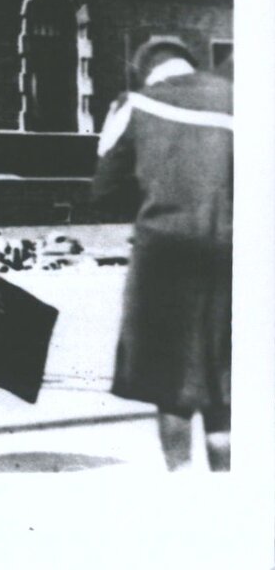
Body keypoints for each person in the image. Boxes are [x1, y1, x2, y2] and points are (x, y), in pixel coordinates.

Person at [92, 36, 232, 471]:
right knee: (225, 376)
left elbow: (104, 191)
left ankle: (182, 481)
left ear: (144, 70)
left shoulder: (135, 104)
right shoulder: (240, 101)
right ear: (189, 64)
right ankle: (228, 480)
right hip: (231, 253)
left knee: (170, 376)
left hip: (163, 256)